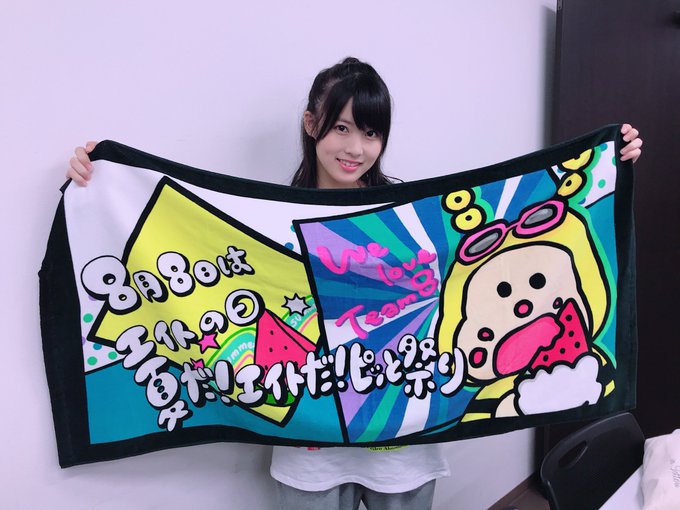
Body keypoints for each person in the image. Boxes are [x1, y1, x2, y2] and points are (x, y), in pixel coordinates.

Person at [66, 57, 643, 510]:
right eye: (341, 127)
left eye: (370, 132)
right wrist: (102, 178)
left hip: (404, 450)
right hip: (308, 452)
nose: (356, 148)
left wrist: (611, 159)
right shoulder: (267, 217)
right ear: (311, 124)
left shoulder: (414, 216)